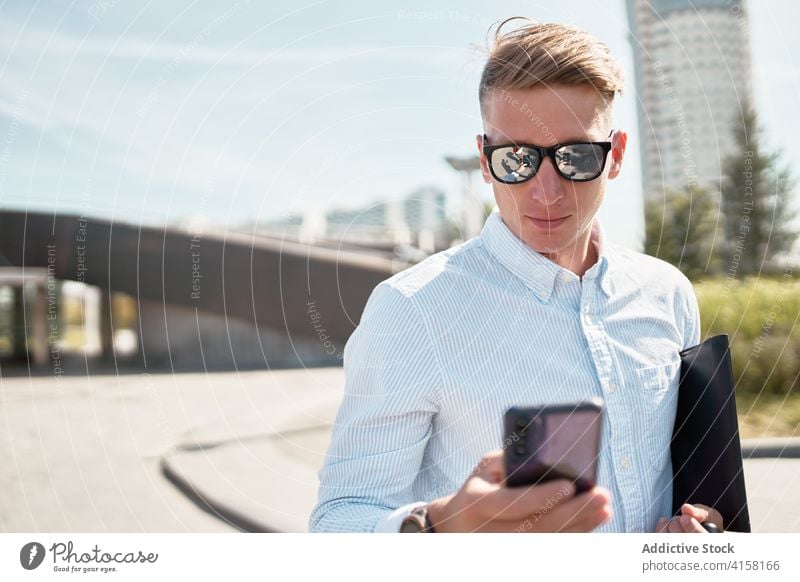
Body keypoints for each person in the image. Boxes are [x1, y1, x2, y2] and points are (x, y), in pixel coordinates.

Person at [309, 18, 722, 533]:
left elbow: (681, 478)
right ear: (484, 161)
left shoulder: (668, 294)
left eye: (574, 156)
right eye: (517, 159)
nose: (546, 191)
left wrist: (698, 530)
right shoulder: (411, 310)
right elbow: (337, 522)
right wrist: (438, 527)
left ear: (614, 156)